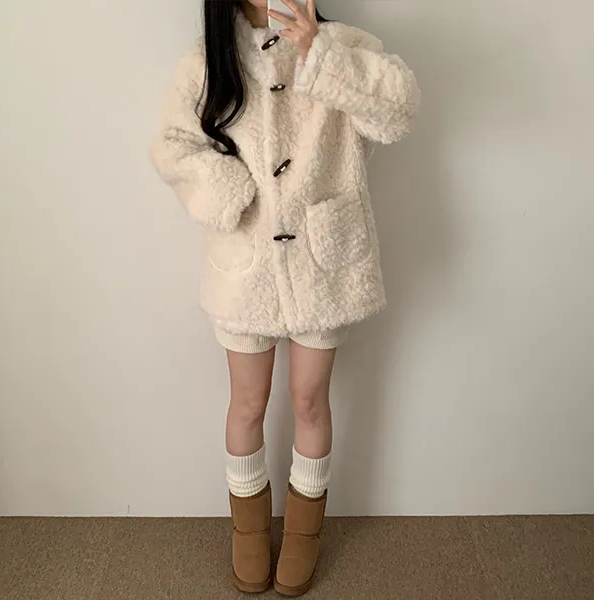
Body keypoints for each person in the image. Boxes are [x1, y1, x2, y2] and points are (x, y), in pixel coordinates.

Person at [151, 0, 419, 595]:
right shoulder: (208, 62)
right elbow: (172, 145)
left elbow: (399, 110)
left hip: (324, 262)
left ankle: (303, 534)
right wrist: (230, 192)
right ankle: (248, 531)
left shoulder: (345, 47)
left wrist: (320, 53)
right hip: (245, 264)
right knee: (247, 403)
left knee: (310, 399)